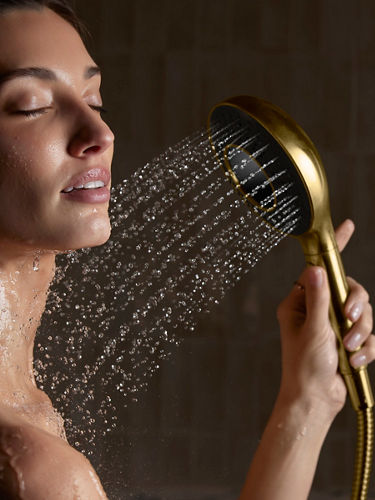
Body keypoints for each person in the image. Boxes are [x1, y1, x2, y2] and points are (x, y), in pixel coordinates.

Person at [0, 1, 373, 499]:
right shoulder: (33, 471)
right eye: (32, 105)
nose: (100, 134)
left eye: (95, 99)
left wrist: (310, 398)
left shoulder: (28, 419)